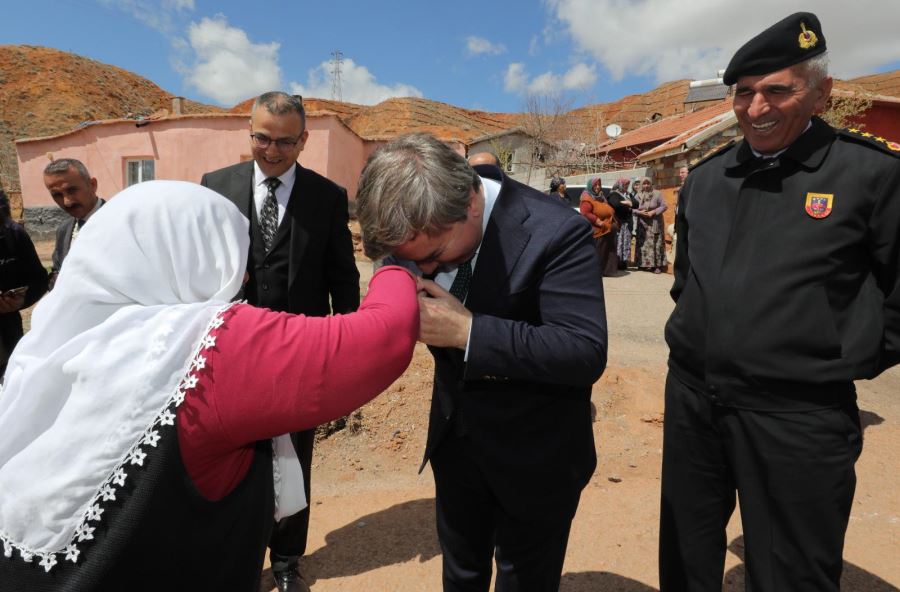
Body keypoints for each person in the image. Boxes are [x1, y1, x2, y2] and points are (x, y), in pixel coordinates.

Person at [0, 181, 418, 591]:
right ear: (196, 257)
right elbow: (383, 340)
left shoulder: (51, 343)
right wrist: (396, 258)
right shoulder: (201, 344)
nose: (247, 274)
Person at [660, 12, 900, 592]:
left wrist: (835, 358)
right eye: (744, 93)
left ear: (822, 93)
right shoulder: (708, 179)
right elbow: (686, 280)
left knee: (792, 572)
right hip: (695, 404)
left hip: (798, 417)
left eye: (777, 91)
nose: (756, 108)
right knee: (687, 559)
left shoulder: (871, 175)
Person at [356, 133, 607, 592]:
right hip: (458, 444)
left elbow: (583, 350)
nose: (425, 271)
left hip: (537, 455)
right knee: (461, 573)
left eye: (432, 256)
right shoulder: (422, 227)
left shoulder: (557, 230)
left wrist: (470, 332)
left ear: (471, 203)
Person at [201, 91, 360, 592]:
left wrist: (345, 353)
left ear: (304, 141)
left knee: (295, 457)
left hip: (300, 357)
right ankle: (239, 558)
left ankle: (288, 559)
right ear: (249, 133)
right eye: (262, 139)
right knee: (234, 459)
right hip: (229, 356)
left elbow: (343, 278)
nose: (271, 152)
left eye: (285, 142)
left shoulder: (327, 197)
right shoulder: (215, 187)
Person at [0, 187, 48, 378]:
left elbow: (38, 278)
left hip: (8, 334)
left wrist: (21, 300)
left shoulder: (14, 234)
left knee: (13, 382)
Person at [43, 158, 104, 290]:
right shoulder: (64, 230)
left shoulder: (120, 221)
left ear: (92, 185)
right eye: (57, 195)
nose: (67, 202)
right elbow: (58, 269)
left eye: (72, 190)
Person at [579, 177, 619, 276]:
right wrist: (599, 222)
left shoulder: (601, 197)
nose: (598, 187)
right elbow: (585, 213)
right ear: (590, 186)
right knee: (599, 251)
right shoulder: (586, 197)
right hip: (597, 230)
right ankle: (595, 272)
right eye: (595, 185)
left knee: (607, 251)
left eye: (599, 185)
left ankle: (607, 270)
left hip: (607, 229)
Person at [633, 176, 667, 273]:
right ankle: (642, 264)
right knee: (643, 244)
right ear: (641, 185)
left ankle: (656, 266)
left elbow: (664, 206)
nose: (646, 185)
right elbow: (632, 208)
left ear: (651, 184)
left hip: (655, 222)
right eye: (644, 183)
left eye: (648, 183)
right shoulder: (637, 195)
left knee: (655, 243)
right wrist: (640, 212)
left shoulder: (657, 194)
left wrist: (654, 212)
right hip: (642, 223)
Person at [608, 178, 638, 270]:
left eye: (627, 185)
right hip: (619, 223)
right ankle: (616, 263)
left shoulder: (628, 194)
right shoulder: (613, 194)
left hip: (627, 223)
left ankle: (623, 263)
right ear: (619, 184)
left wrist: (628, 202)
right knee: (618, 243)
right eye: (625, 185)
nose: (626, 187)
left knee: (626, 243)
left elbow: (636, 204)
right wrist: (629, 204)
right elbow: (616, 204)